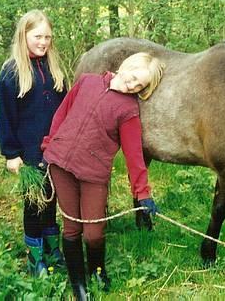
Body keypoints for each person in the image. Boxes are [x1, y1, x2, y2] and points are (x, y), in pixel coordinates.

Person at [41, 52, 164, 299]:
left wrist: (142, 193)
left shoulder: (128, 109)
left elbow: (134, 155)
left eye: (140, 85)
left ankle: (97, 271)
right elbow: (61, 114)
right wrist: (48, 146)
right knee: (72, 228)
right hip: (60, 165)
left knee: (94, 233)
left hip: (93, 173)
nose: (133, 85)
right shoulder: (87, 81)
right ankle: (79, 284)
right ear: (126, 65)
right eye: (134, 77)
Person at [0, 9, 66, 277]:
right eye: (37, 36)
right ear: (24, 35)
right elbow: (6, 117)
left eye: (48, 37)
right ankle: (35, 256)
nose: (43, 42)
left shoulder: (54, 69)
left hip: (54, 152)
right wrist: (11, 153)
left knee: (51, 201)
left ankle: (52, 249)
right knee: (34, 205)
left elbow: (64, 109)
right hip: (28, 153)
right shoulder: (12, 72)